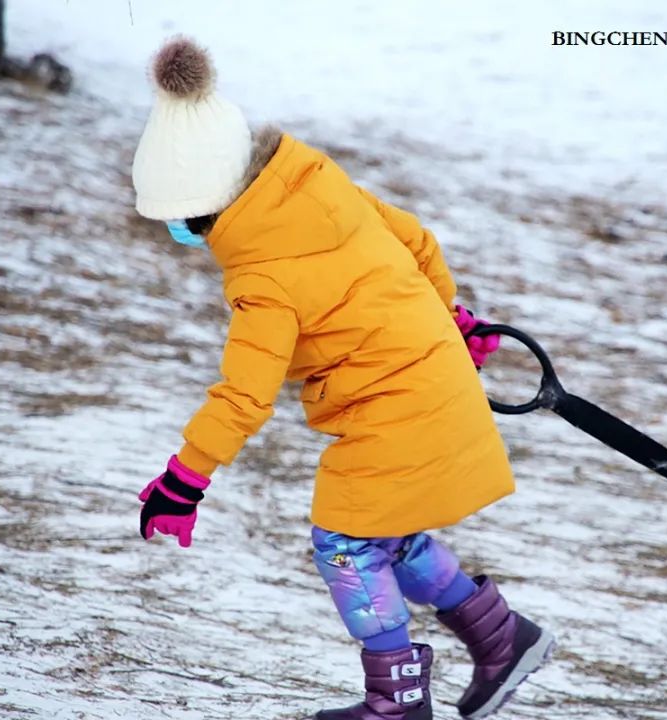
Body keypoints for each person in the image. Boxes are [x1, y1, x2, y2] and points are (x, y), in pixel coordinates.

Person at [132, 37, 555, 720]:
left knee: (347, 543)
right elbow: (417, 242)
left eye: (179, 222)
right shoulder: (319, 187)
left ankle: (396, 701)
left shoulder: (261, 276)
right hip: (431, 379)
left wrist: (186, 480)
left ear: (202, 209)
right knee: (387, 531)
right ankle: (501, 637)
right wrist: (455, 322)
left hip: (392, 407)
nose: (181, 233)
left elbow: (245, 393)